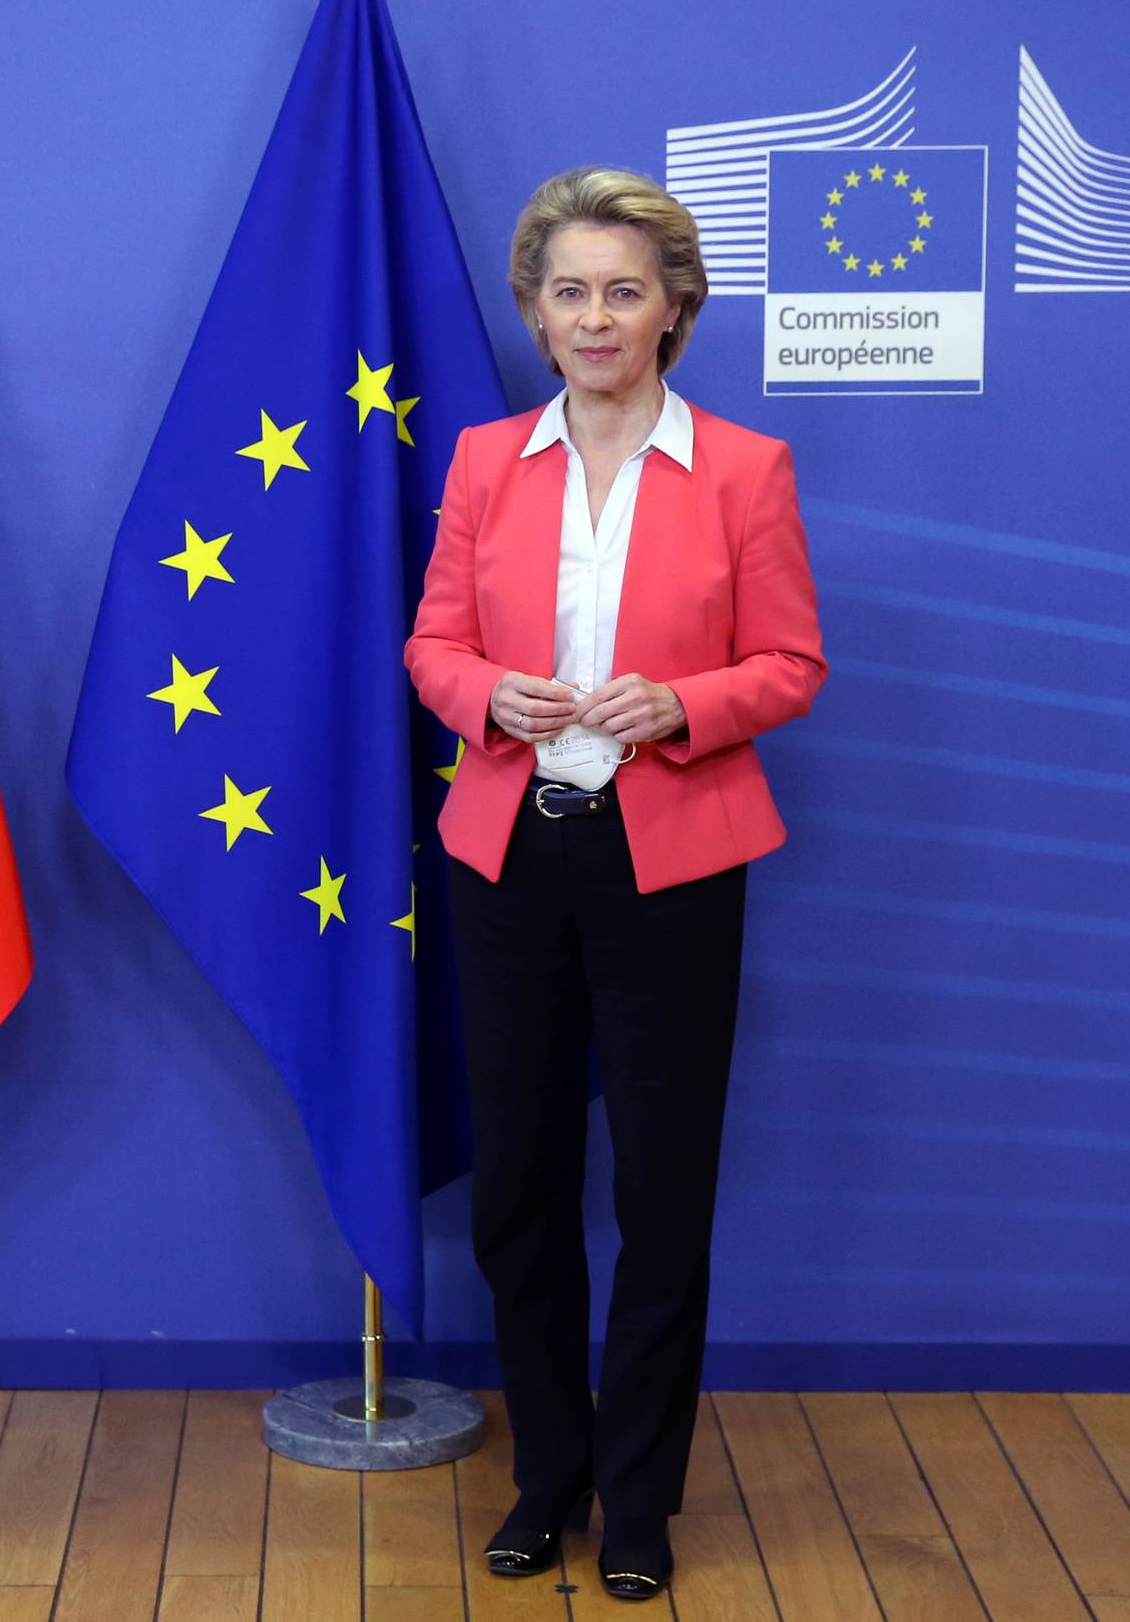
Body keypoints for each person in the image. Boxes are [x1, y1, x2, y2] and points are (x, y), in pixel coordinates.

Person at [405, 167, 824, 1602]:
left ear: (674, 309)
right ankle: (549, 1478)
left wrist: (687, 706)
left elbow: (791, 664)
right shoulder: (479, 462)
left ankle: (640, 1501)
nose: (595, 316)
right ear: (535, 308)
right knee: (518, 1188)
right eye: (569, 290)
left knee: (662, 1188)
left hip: (674, 859)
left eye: (624, 290)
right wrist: (489, 697)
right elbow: (432, 646)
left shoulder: (746, 469)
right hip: (510, 853)